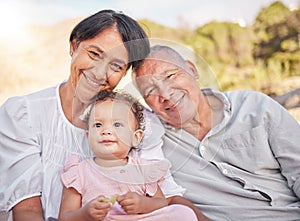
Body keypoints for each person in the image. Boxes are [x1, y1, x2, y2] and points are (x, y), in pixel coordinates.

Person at [0, 9, 173, 221]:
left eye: (116, 66)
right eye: (94, 54)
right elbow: (27, 211)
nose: (100, 73)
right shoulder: (24, 115)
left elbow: (165, 200)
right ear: (74, 46)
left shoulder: (139, 122)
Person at [133, 45, 300, 220]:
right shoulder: (151, 142)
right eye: (150, 91)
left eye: (170, 76)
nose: (165, 94)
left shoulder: (254, 106)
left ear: (192, 69)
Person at [58, 90, 198, 221]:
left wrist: (143, 204)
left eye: (117, 124)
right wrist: (86, 213)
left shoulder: (142, 170)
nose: (106, 130)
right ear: (88, 136)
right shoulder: (79, 172)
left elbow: (161, 203)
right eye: (98, 125)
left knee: (184, 213)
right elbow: (64, 217)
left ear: (136, 137)